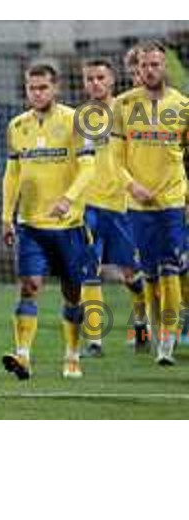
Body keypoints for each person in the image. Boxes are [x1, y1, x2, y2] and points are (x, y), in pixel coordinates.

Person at [2, 64, 95, 379]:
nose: (37, 93)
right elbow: (12, 174)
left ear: (55, 88)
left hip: (69, 227)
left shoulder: (75, 121)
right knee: (29, 287)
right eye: (32, 87)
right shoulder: (16, 126)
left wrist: (68, 198)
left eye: (43, 87)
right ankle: (23, 356)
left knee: (72, 293)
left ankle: (72, 354)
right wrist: (6, 216)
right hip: (31, 225)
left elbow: (89, 168)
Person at [112, 41, 188, 365]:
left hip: (172, 201)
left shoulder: (183, 105)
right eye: (144, 66)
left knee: (170, 268)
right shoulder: (122, 105)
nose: (150, 70)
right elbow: (113, 159)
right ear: (136, 68)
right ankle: (157, 331)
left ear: (164, 66)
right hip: (138, 206)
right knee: (151, 277)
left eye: (155, 64)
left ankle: (167, 343)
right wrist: (132, 185)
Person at [79, 59, 146, 356]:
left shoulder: (128, 112)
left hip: (122, 206)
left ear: (112, 81)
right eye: (89, 78)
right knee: (88, 271)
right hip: (89, 206)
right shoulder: (79, 117)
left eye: (100, 78)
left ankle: (142, 321)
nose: (95, 83)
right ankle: (94, 339)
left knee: (131, 273)